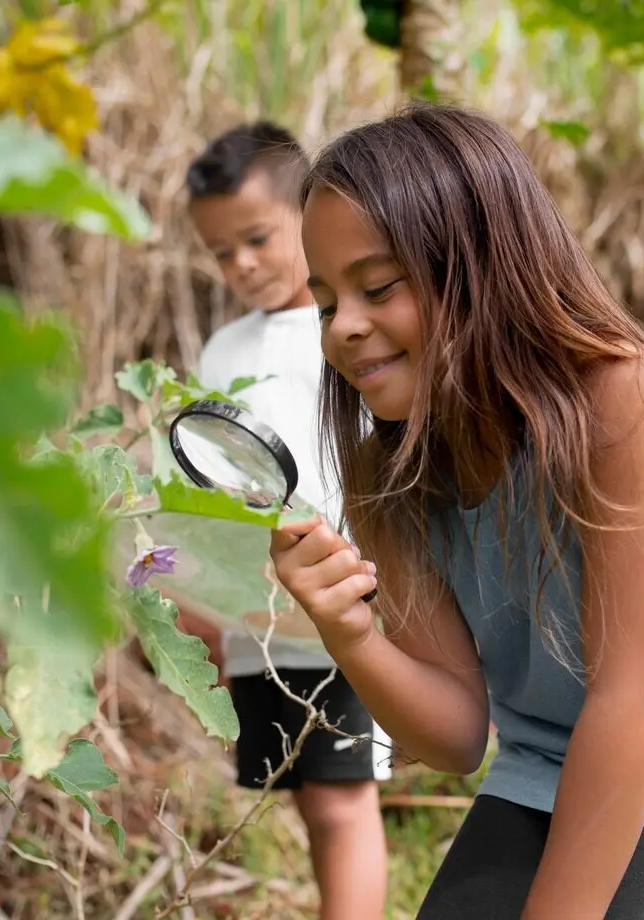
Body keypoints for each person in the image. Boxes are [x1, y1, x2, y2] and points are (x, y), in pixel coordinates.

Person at [270, 102, 644, 920]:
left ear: (479, 264)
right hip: (544, 755)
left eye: (377, 287)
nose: (344, 327)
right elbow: (452, 738)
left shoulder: (627, 398)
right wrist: (350, 633)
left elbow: (636, 696)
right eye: (325, 302)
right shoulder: (389, 459)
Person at [180, 121, 391, 920]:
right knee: (304, 798)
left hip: (340, 603)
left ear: (307, 215)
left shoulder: (348, 332)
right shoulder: (222, 349)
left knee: (343, 802)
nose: (241, 265)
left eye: (259, 239)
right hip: (254, 618)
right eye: (220, 252)